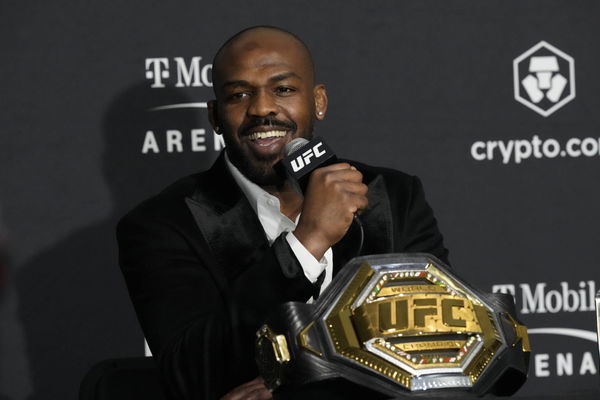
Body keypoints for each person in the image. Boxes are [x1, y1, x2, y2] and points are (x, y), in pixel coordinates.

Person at [117, 26, 448, 400]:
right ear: (214, 116)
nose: (261, 108)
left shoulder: (393, 196)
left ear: (318, 101)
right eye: (238, 95)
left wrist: (301, 385)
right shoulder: (162, 226)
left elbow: (440, 341)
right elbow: (193, 375)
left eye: (283, 90)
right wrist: (306, 243)